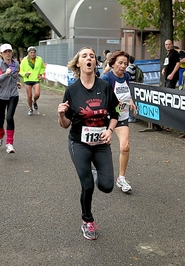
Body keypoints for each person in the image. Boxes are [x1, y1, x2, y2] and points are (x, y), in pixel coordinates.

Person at [57, 47, 119, 240]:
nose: (89, 58)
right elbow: (65, 124)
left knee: (107, 186)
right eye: (84, 56)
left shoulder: (105, 87)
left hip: (101, 142)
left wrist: (109, 131)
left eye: (91, 56)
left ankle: (94, 172)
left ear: (95, 63)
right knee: (87, 185)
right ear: (78, 63)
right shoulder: (72, 90)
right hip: (79, 142)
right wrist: (61, 114)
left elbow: (115, 114)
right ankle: (87, 220)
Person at [102, 50, 136, 193]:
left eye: (125, 64)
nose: (123, 66)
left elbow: (126, 93)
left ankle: (121, 178)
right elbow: (100, 99)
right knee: (99, 148)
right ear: (113, 63)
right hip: (107, 119)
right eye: (120, 63)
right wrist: (114, 103)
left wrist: (131, 101)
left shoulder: (126, 76)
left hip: (121, 118)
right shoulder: (106, 78)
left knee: (125, 147)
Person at [0, 44, 22, 154]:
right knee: (0, 119)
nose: (8, 53)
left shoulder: (16, 64)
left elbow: (15, 77)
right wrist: (5, 74)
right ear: (2, 54)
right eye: (5, 52)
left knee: (9, 118)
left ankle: (9, 144)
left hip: (13, 95)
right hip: (0, 96)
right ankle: (0, 133)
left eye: (9, 51)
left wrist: (17, 83)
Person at [19, 46, 46, 116]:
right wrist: (25, 74)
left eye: (34, 52)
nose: (33, 54)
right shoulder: (24, 60)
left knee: (37, 94)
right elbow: (20, 71)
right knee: (29, 96)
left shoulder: (39, 59)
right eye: (31, 52)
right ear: (28, 53)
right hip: (28, 79)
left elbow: (43, 67)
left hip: (36, 79)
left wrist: (40, 74)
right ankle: (30, 109)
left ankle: (34, 101)